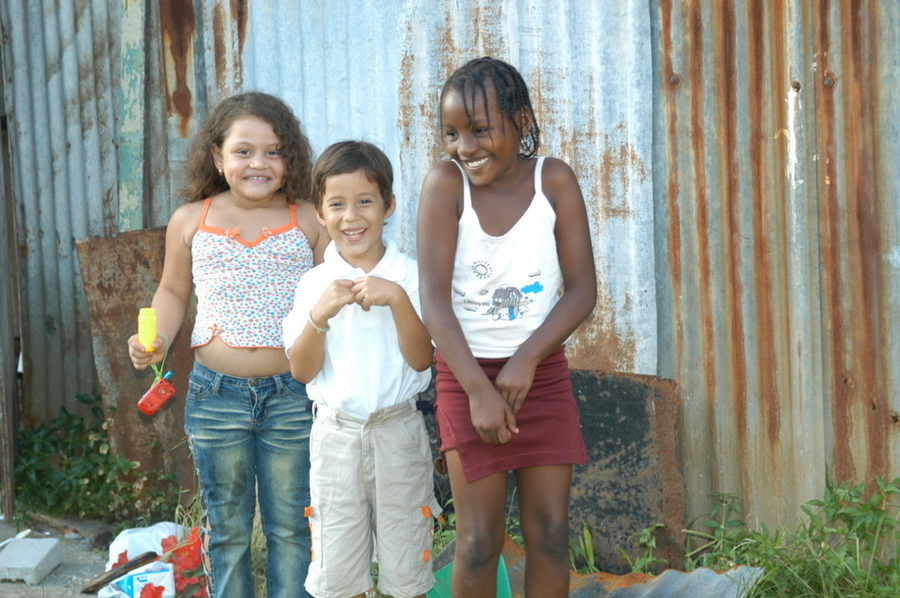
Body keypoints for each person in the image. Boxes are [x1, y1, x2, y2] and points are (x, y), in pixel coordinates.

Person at [127, 91, 328, 598]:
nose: (258, 163)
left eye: (274, 151)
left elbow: (336, 296)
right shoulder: (190, 219)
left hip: (294, 397)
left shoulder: (308, 219)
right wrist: (156, 341)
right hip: (216, 398)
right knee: (229, 532)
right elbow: (173, 291)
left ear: (290, 161)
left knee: (290, 526)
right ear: (217, 157)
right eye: (243, 151)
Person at [416, 57, 598, 598]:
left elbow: (583, 290)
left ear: (520, 120)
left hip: (538, 376)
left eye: (479, 130)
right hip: (464, 377)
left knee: (550, 533)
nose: (464, 147)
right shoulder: (445, 186)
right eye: (452, 134)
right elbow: (433, 300)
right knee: (476, 540)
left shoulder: (554, 179)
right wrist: (477, 389)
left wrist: (526, 359)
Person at [283, 140, 439, 598]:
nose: (352, 217)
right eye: (337, 205)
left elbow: (422, 359)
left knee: (407, 568)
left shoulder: (409, 275)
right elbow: (301, 370)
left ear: (388, 206)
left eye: (365, 202)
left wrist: (397, 299)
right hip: (335, 438)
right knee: (338, 571)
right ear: (319, 213)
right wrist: (320, 315)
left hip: (398, 431)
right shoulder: (313, 284)